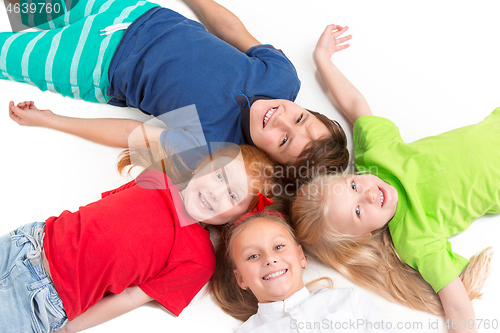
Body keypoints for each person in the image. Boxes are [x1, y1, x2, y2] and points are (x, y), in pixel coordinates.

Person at [291, 24, 497, 333]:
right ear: (362, 236)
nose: (370, 194)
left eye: (354, 186)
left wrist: (323, 60)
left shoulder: (376, 158)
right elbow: (456, 303)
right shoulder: (413, 238)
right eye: (359, 211)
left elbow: (355, 105)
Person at [2, 0, 349, 174]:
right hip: (133, 13)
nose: (281, 120)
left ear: (270, 159)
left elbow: (133, 134)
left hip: (94, 65)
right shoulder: (282, 77)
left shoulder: (216, 146)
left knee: (6, 53)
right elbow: (230, 30)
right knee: (25, 6)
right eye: (301, 119)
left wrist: (51, 120)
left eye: (285, 140)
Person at [0, 141, 277, 333]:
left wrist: (72, 326)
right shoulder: (155, 178)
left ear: (237, 218)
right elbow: (96, 215)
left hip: (44, 298)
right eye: (218, 175)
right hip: (29, 240)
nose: (217, 192)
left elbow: (133, 296)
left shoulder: (199, 259)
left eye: (233, 195)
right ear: (202, 165)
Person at [210, 212, 396, 332]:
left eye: (278, 246)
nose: (269, 259)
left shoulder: (349, 300)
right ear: (241, 278)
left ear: (301, 256)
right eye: (253, 256)